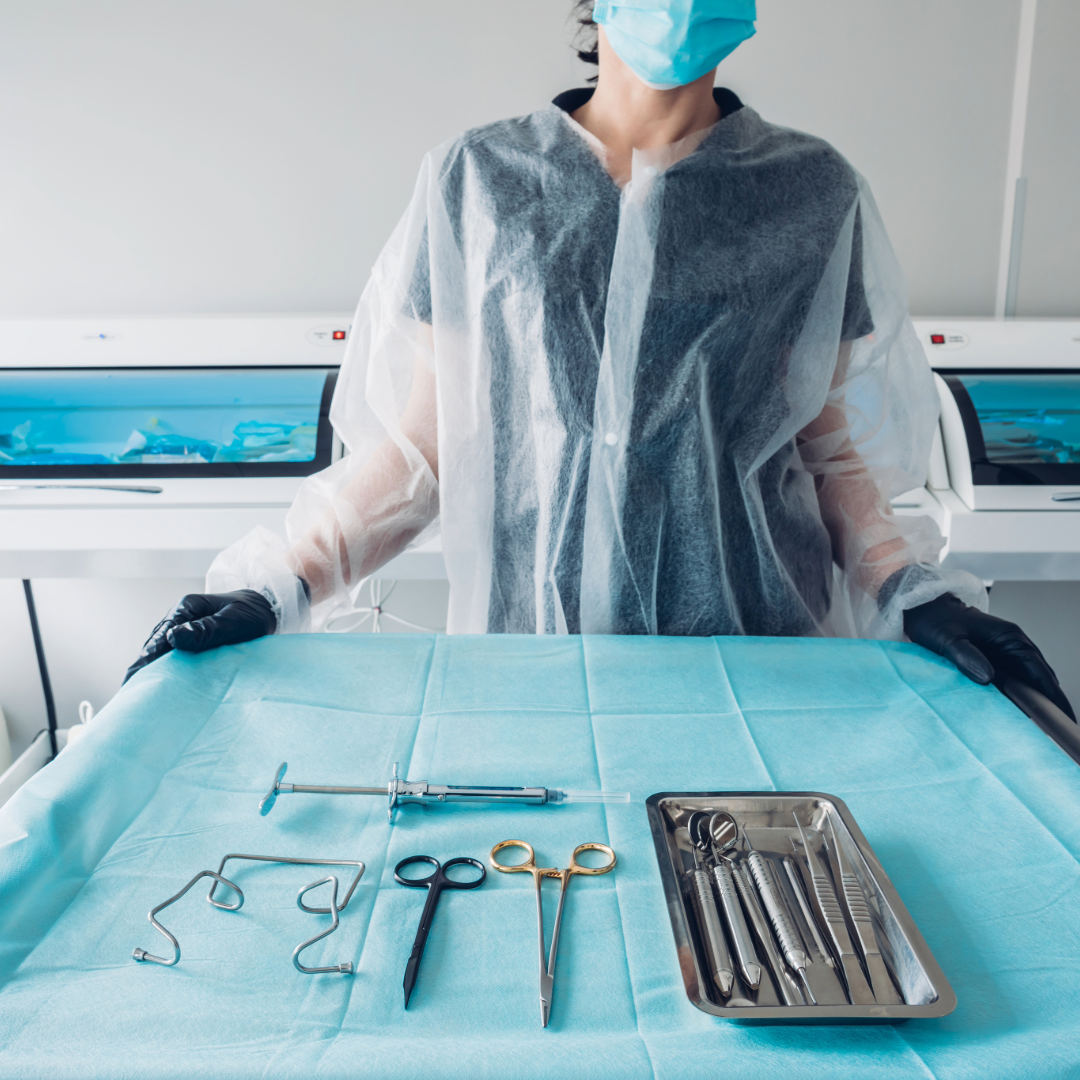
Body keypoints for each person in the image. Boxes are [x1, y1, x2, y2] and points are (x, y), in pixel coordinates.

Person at [126, 0, 1074, 720]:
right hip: (534, 678)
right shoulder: (481, 182)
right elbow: (424, 454)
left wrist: (918, 595)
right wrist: (273, 583)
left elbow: (825, 456)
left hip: (760, 677)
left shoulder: (811, 193)